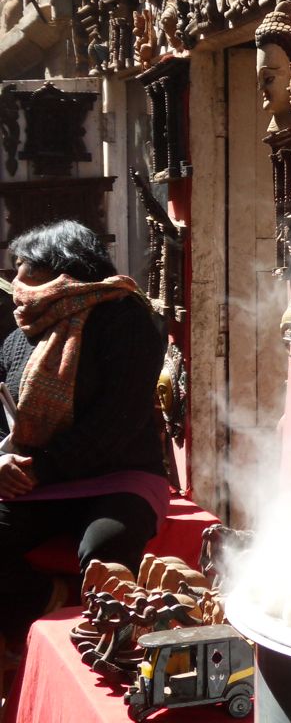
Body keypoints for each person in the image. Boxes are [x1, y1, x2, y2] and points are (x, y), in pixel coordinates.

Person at [0, 221, 169, 657]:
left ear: (63, 269)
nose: (14, 285)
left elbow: (119, 420)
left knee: (104, 550)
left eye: (24, 271)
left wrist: (42, 467)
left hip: (119, 475)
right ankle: (46, 604)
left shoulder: (127, 318)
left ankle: (111, 656)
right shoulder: (19, 339)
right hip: (39, 483)